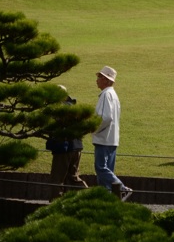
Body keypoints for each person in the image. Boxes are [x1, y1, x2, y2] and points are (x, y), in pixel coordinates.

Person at [93, 65, 133, 200]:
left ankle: (122, 188)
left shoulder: (106, 94)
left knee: (101, 168)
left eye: (100, 77)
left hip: (104, 139)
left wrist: (94, 129)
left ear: (106, 79)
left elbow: (105, 117)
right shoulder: (114, 95)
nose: (97, 79)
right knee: (107, 171)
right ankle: (108, 199)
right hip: (112, 139)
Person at [46, 88, 89, 199]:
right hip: (77, 146)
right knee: (73, 177)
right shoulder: (74, 107)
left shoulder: (59, 109)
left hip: (63, 148)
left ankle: (55, 203)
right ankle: (90, 197)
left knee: (57, 179)